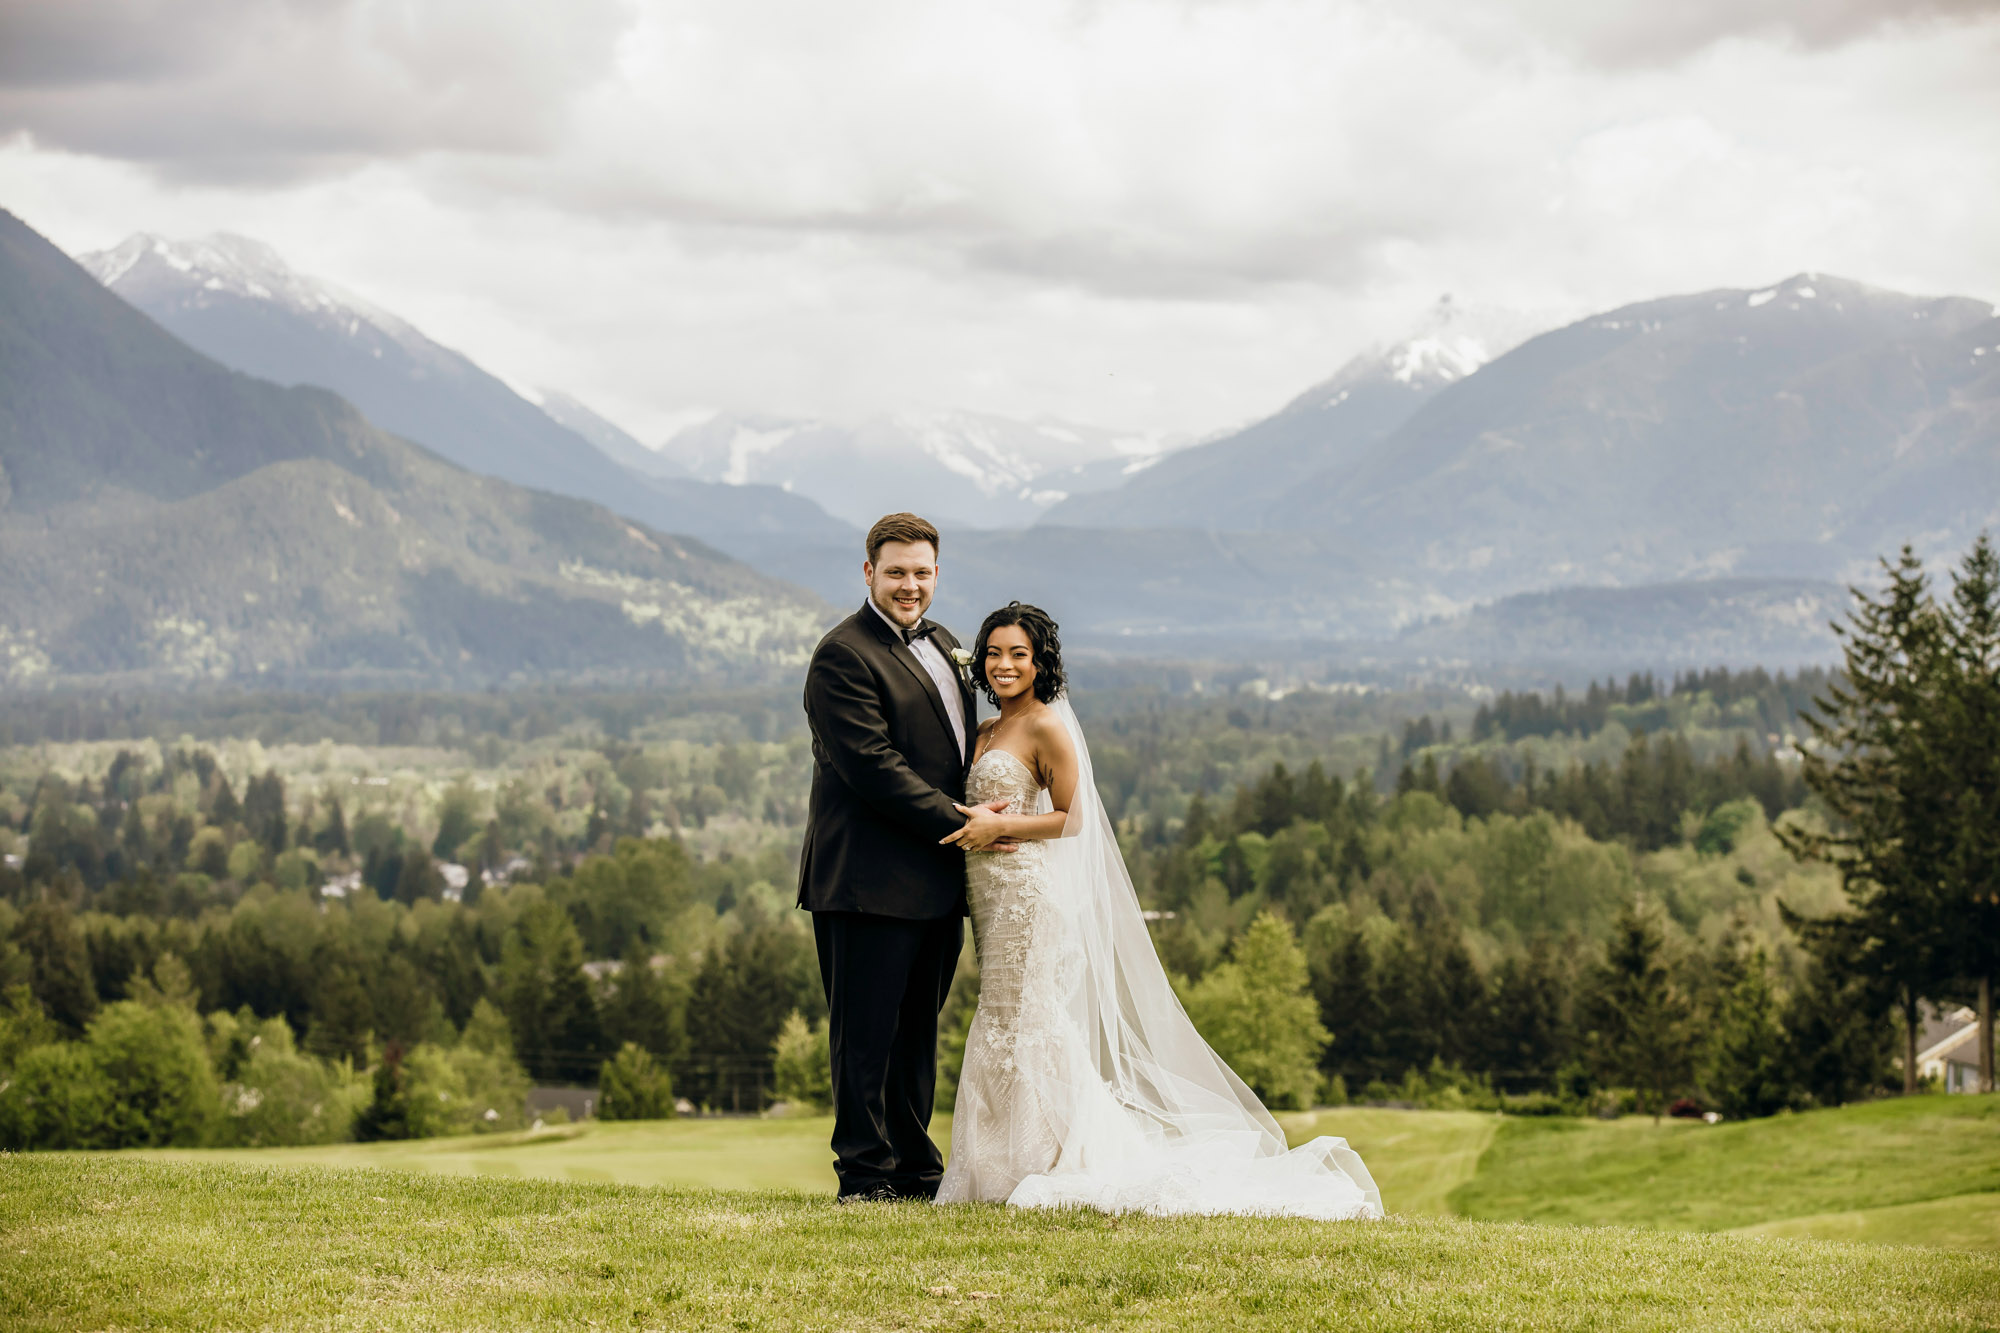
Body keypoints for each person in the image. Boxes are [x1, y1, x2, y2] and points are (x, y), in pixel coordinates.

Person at [933, 601, 1383, 1220]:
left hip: (1028, 900)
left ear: (1040, 663)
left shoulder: (1044, 728)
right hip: (990, 901)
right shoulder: (985, 732)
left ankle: (1039, 1162)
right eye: (994, 653)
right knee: (1002, 1020)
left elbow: (1075, 817)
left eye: (1019, 654)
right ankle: (993, 1164)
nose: (1005, 664)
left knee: (1027, 1022)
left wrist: (994, 829)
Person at [797, 511, 994, 1203]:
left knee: (916, 1035)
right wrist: (967, 822)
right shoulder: (841, 655)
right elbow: (873, 766)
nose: (909, 585)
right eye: (896, 572)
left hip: (937, 880)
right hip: (866, 882)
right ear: (868, 573)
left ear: (937, 574)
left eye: (921, 572)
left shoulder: (941, 641)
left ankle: (916, 1168)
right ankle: (866, 1174)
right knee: (866, 1038)